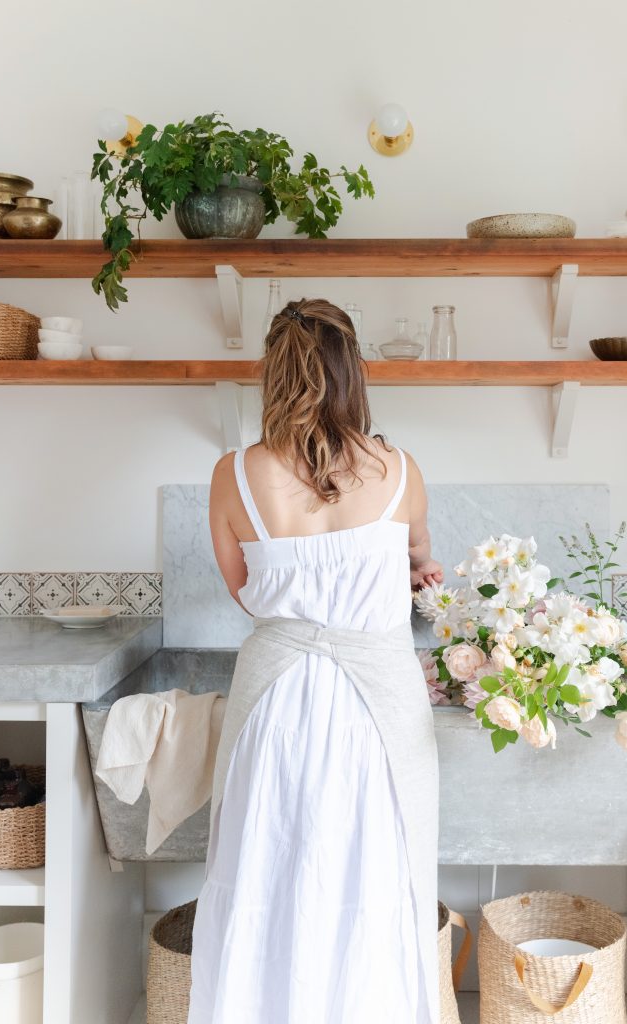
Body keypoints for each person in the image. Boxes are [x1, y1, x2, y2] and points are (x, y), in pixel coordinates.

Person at [187, 298, 444, 1023]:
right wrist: (410, 574)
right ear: (352, 373)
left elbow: (247, 593)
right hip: (378, 717)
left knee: (264, 874)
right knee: (373, 878)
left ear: (273, 374)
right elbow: (420, 560)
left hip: (276, 707)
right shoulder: (399, 470)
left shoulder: (233, 474)